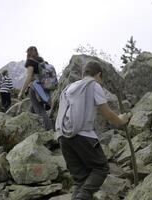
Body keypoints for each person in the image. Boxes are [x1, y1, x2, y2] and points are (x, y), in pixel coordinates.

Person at [55, 61, 131, 200]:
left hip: (62, 136)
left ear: (84, 74)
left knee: (81, 179)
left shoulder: (70, 87)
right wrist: (121, 120)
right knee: (101, 168)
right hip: (83, 135)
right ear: (99, 75)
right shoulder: (93, 85)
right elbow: (105, 112)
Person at [18, 46, 53, 130]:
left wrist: (21, 92)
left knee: (40, 110)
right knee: (33, 110)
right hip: (44, 88)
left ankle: (49, 131)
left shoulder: (30, 61)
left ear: (28, 53)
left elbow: (29, 77)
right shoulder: (42, 62)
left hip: (35, 88)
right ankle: (30, 130)